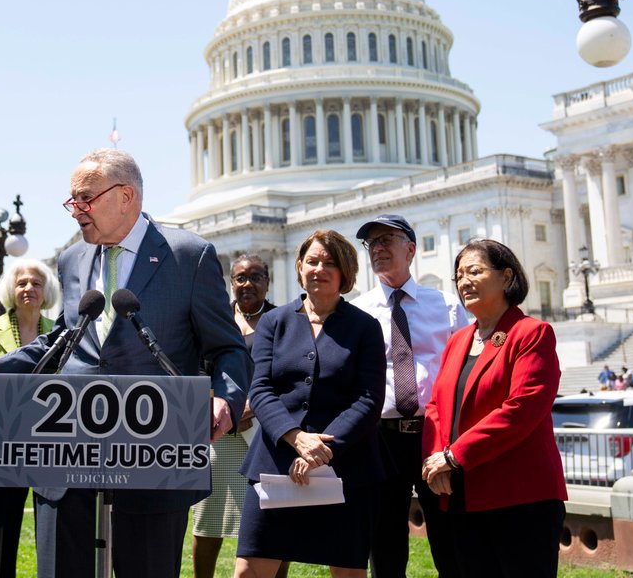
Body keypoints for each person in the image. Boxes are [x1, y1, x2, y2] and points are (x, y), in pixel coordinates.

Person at [0, 148, 251, 578]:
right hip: (66, 456)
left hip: (156, 454)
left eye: (85, 199)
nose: (75, 211)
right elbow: (63, 337)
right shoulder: (72, 258)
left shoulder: (189, 256)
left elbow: (227, 347)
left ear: (126, 197)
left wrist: (226, 400)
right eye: (71, 200)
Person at [234, 230, 386, 578]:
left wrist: (322, 449)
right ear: (299, 267)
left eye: (330, 263)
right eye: (313, 261)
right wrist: (297, 438)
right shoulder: (274, 322)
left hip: (346, 466)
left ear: (346, 273)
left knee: (347, 571)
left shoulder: (365, 327)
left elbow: (368, 398)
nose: (320, 269)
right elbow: (260, 389)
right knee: (248, 570)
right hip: (275, 461)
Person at [422, 239, 567, 578]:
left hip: (519, 496)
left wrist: (455, 455)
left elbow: (523, 407)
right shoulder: (457, 340)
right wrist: (436, 461)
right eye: (459, 275)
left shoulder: (531, 333)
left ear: (506, 277)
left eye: (475, 271)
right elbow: (435, 406)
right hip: (461, 494)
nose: (464, 282)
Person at [352, 214, 462, 578]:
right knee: (384, 544)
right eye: (372, 244)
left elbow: (463, 370)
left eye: (387, 240)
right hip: (380, 437)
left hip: (435, 435)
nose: (378, 249)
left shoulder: (446, 306)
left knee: (451, 539)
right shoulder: (357, 312)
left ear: (411, 249)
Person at [192, 254, 287, 578]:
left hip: (267, 431)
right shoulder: (216, 320)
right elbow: (201, 367)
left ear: (267, 281)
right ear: (231, 283)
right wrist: (221, 404)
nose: (248, 284)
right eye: (240, 278)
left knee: (273, 515)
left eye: (256, 277)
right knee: (208, 519)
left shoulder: (284, 320)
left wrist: (254, 405)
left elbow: (288, 376)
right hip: (220, 431)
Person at [0, 259, 58, 578]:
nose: (29, 288)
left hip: (53, 449)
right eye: (21, 283)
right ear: (11, 289)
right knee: (0, 537)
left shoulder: (61, 333)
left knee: (53, 537)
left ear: (47, 290)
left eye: (36, 283)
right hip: (0, 446)